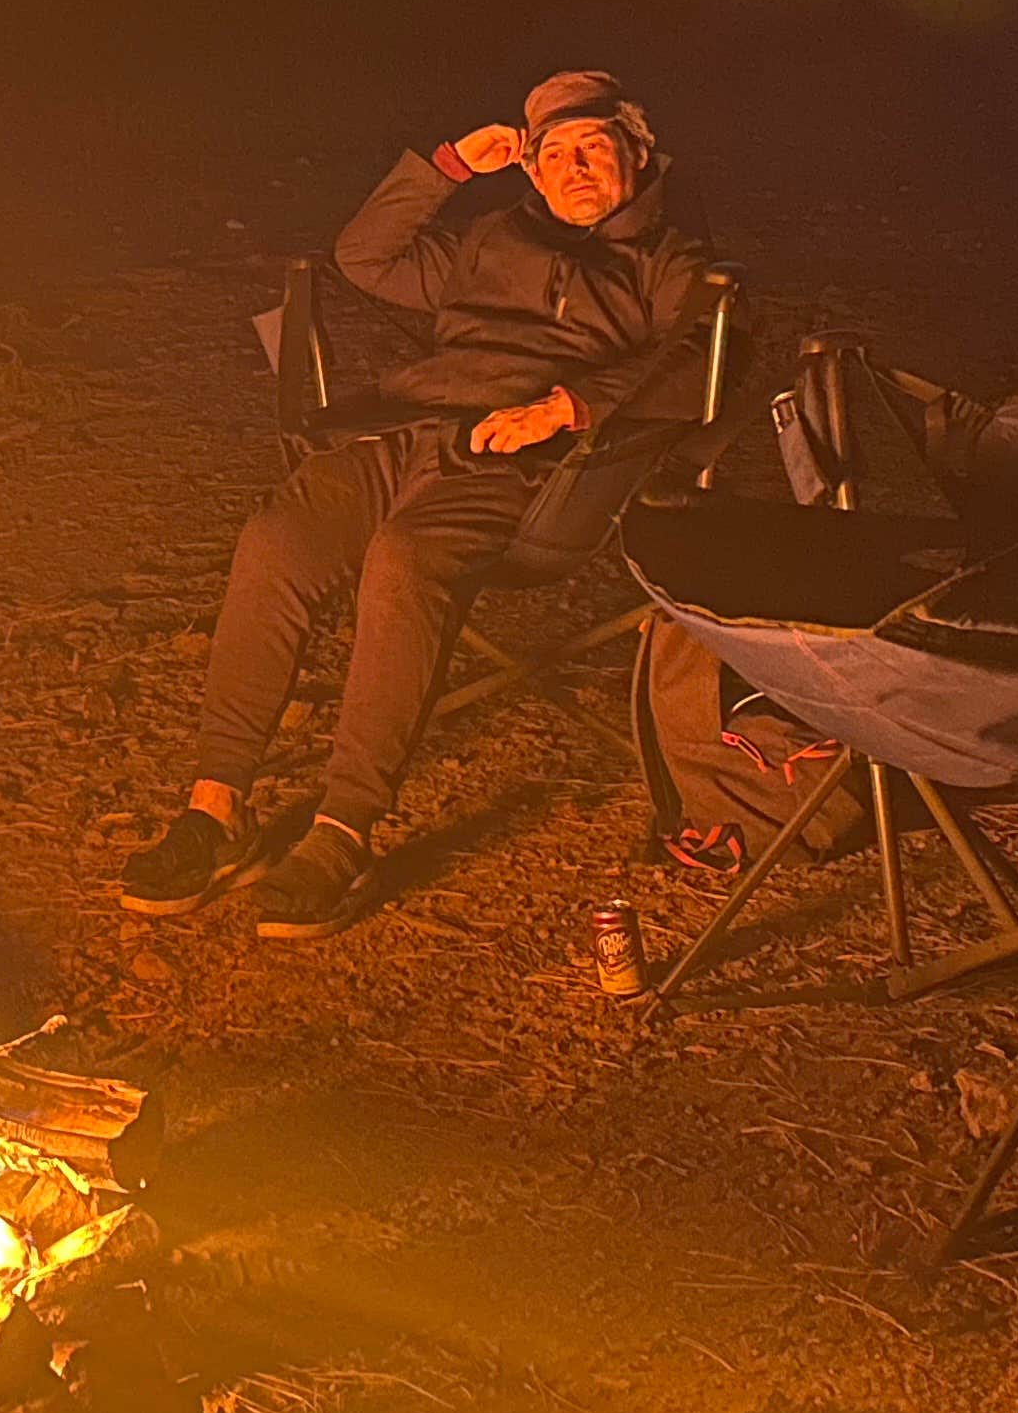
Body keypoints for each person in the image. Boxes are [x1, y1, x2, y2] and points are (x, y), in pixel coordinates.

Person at [119, 71, 716, 939]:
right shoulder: (491, 239)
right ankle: (217, 810)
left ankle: (343, 828)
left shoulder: (670, 263)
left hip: (518, 463)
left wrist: (572, 407)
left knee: (403, 562)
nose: (574, 168)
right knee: (276, 539)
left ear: (637, 151)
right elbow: (367, 257)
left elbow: (708, 358)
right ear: (531, 170)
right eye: (553, 153)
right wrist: (444, 168)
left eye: (593, 147)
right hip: (399, 436)